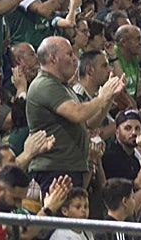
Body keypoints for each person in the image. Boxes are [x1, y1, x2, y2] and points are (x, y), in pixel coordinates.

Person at [27, 36, 124, 191]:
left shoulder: (62, 86)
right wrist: (102, 97)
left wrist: (109, 97)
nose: (74, 59)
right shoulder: (45, 84)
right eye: (69, 54)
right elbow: (77, 114)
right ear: (53, 58)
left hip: (69, 168)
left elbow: (89, 123)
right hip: (54, 171)